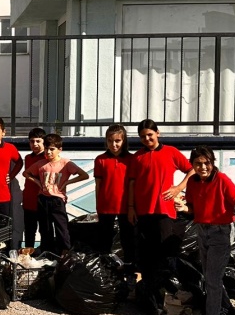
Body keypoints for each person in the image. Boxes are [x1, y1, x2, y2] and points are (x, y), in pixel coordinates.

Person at [185, 145, 235, 315]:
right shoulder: (193, 182)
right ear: (192, 165)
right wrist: (180, 206)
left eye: (206, 163)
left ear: (212, 163)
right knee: (209, 275)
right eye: (198, 164)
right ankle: (226, 309)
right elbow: (192, 208)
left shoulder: (222, 179)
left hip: (221, 231)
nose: (203, 167)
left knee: (212, 277)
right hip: (202, 229)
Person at [126, 119, 192, 288]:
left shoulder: (171, 152)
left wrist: (179, 188)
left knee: (165, 250)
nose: (147, 139)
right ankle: (148, 288)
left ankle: (166, 286)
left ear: (157, 133)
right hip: (143, 211)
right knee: (146, 251)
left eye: (150, 135)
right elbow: (132, 183)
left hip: (164, 210)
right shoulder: (137, 157)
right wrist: (131, 207)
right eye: (142, 137)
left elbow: (192, 170)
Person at [26, 133, 88, 254]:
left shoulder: (66, 163)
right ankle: (47, 252)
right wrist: (38, 182)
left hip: (57, 200)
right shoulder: (41, 164)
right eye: (47, 149)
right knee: (45, 228)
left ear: (60, 149)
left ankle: (64, 252)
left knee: (61, 227)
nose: (48, 152)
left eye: (52, 149)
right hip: (43, 199)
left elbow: (84, 175)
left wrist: (67, 182)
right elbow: (26, 173)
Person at [93, 124, 134, 259]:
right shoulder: (100, 159)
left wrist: (132, 206)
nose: (114, 144)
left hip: (126, 207)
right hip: (106, 206)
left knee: (128, 240)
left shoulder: (132, 160)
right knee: (104, 241)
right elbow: (98, 185)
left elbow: (133, 185)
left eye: (117, 141)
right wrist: (98, 206)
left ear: (124, 141)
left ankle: (130, 268)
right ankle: (104, 270)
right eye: (110, 141)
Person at [20, 128, 48, 250]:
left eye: (38, 141)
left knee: (45, 229)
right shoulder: (27, 158)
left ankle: (46, 252)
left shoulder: (48, 157)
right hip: (29, 200)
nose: (35, 144)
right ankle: (28, 253)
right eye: (32, 141)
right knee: (29, 230)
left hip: (44, 200)